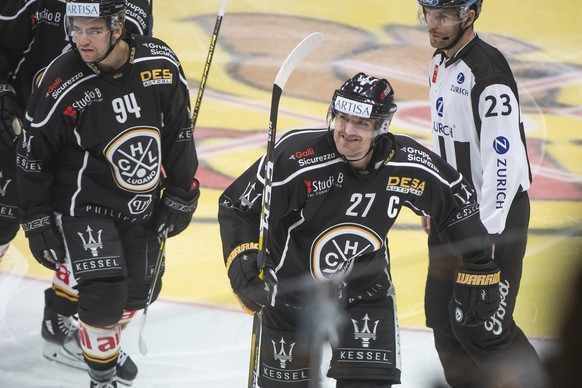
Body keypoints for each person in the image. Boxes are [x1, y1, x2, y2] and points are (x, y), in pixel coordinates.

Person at [218, 72, 502, 388]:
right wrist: (243, 266)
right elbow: (238, 206)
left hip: (365, 293)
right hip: (289, 297)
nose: (347, 131)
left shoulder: (407, 163)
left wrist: (479, 267)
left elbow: (457, 200)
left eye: (361, 123)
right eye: (342, 118)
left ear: (380, 127)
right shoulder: (296, 157)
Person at [15, 0, 199, 386]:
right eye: (76, 28)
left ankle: (95, 342)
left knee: (139, 295)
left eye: (93, 30)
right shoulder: (61, 78)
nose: (81, 40)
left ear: (119, 28)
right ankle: (102, 378)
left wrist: (182, 190)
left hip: (141, 203)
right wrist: (35, 217)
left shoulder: (159, 64)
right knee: (102, 297)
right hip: (86, 205)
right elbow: (33, 153)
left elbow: (179, 131)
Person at [0, 0, 151, 385]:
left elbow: (135, 52)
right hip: (22, 131)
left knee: (84, 236)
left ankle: (61, 323)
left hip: (86, 142)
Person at [416, 0, 546, 386]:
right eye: (428, 14)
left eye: (441, 17)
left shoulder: (487, 72)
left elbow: (501, 161)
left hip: (493, 216)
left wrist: (485, 233)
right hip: (451, 212)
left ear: (468, 16)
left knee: (485, 327)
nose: (431, 25)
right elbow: (447, 137)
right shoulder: (440, 63)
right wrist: (435, 198)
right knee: (442, 318)